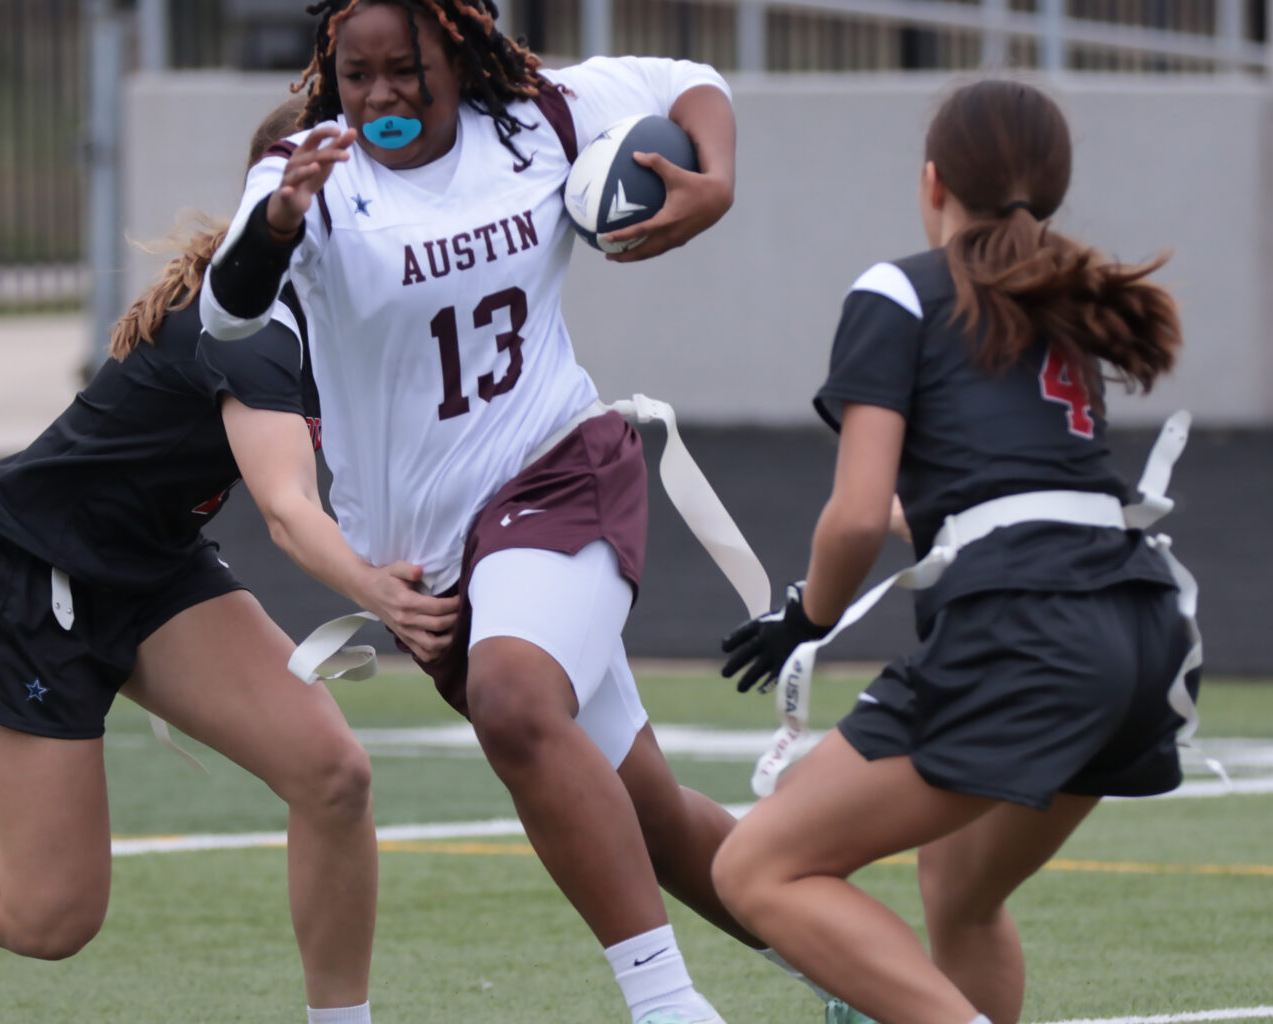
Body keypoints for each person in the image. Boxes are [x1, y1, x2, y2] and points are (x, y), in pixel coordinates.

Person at [200, 5, 868, 1023]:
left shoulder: (533, 118)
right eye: (355, 73)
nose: (377, 97)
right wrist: (283, 217)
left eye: (403, 70)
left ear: (457, 53)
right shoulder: (307, 172)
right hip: (432, 562)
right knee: (645, 813)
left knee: (516, 702)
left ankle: (668, 1005)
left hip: (558, 469)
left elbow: (691, 81)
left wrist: (717, 180)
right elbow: (228, 308)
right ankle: (874, 978)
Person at [0, 98, 459, 1024]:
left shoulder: (355, 318)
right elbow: (287, 506)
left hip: (151, 571)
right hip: (31, 582)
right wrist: (377, 592)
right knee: (50, 916)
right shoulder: (249, 326)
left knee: (334, 775)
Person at [710, 79, 1196, 1024]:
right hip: (1143, 631)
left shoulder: (898, 289)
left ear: (933, 182)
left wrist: (807, 616)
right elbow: (1008, 487)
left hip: (1029, 634)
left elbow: (854, 517)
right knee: (958, 893)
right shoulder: (1058, 292)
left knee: (757, 867)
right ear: (1051, 187)